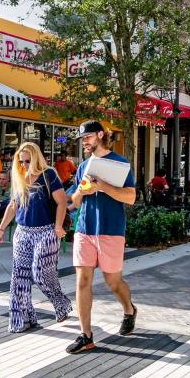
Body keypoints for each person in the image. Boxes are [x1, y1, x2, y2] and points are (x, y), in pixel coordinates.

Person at [66, 120, 137, 354]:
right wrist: (80, 192)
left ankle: (129, 309)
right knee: (82, 280)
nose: (84, 142)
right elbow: (74, 202)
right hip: (85, 230)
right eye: (82, 139)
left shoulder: (120, 163)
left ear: (99, 135)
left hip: (111, 229)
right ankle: (86, 336)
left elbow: (130, 197)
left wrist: (103, 187)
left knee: (112, 282)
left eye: (87, 137)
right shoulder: (83, 166)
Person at [0, 142, 73, 332]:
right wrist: (1, 228)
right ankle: (23, 320)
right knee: (19, 278)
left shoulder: (49, 174)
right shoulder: (19, 177)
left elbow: (62, 202)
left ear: (37, 158)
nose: (24, 165)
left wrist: (57, 227)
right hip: (22, 232)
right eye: (21, 162)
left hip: (46, 231)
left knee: (41, 274)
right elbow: (13, 206)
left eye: (28, 161)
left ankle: (61, 303)